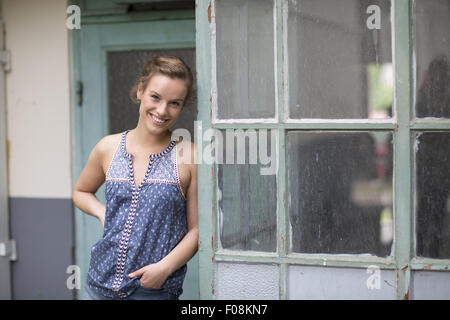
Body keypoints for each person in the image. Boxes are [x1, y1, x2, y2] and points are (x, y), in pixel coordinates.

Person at [72, 56, 198, 300]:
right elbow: (81, 191)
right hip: (99, 283)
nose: (162, 110)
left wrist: (164, 268)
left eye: (174, 103)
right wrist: (102, 212)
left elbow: (198, 230)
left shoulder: (189, 155)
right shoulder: (107, 147)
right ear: (140, 91)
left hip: (154, 290)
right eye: (155, 97)